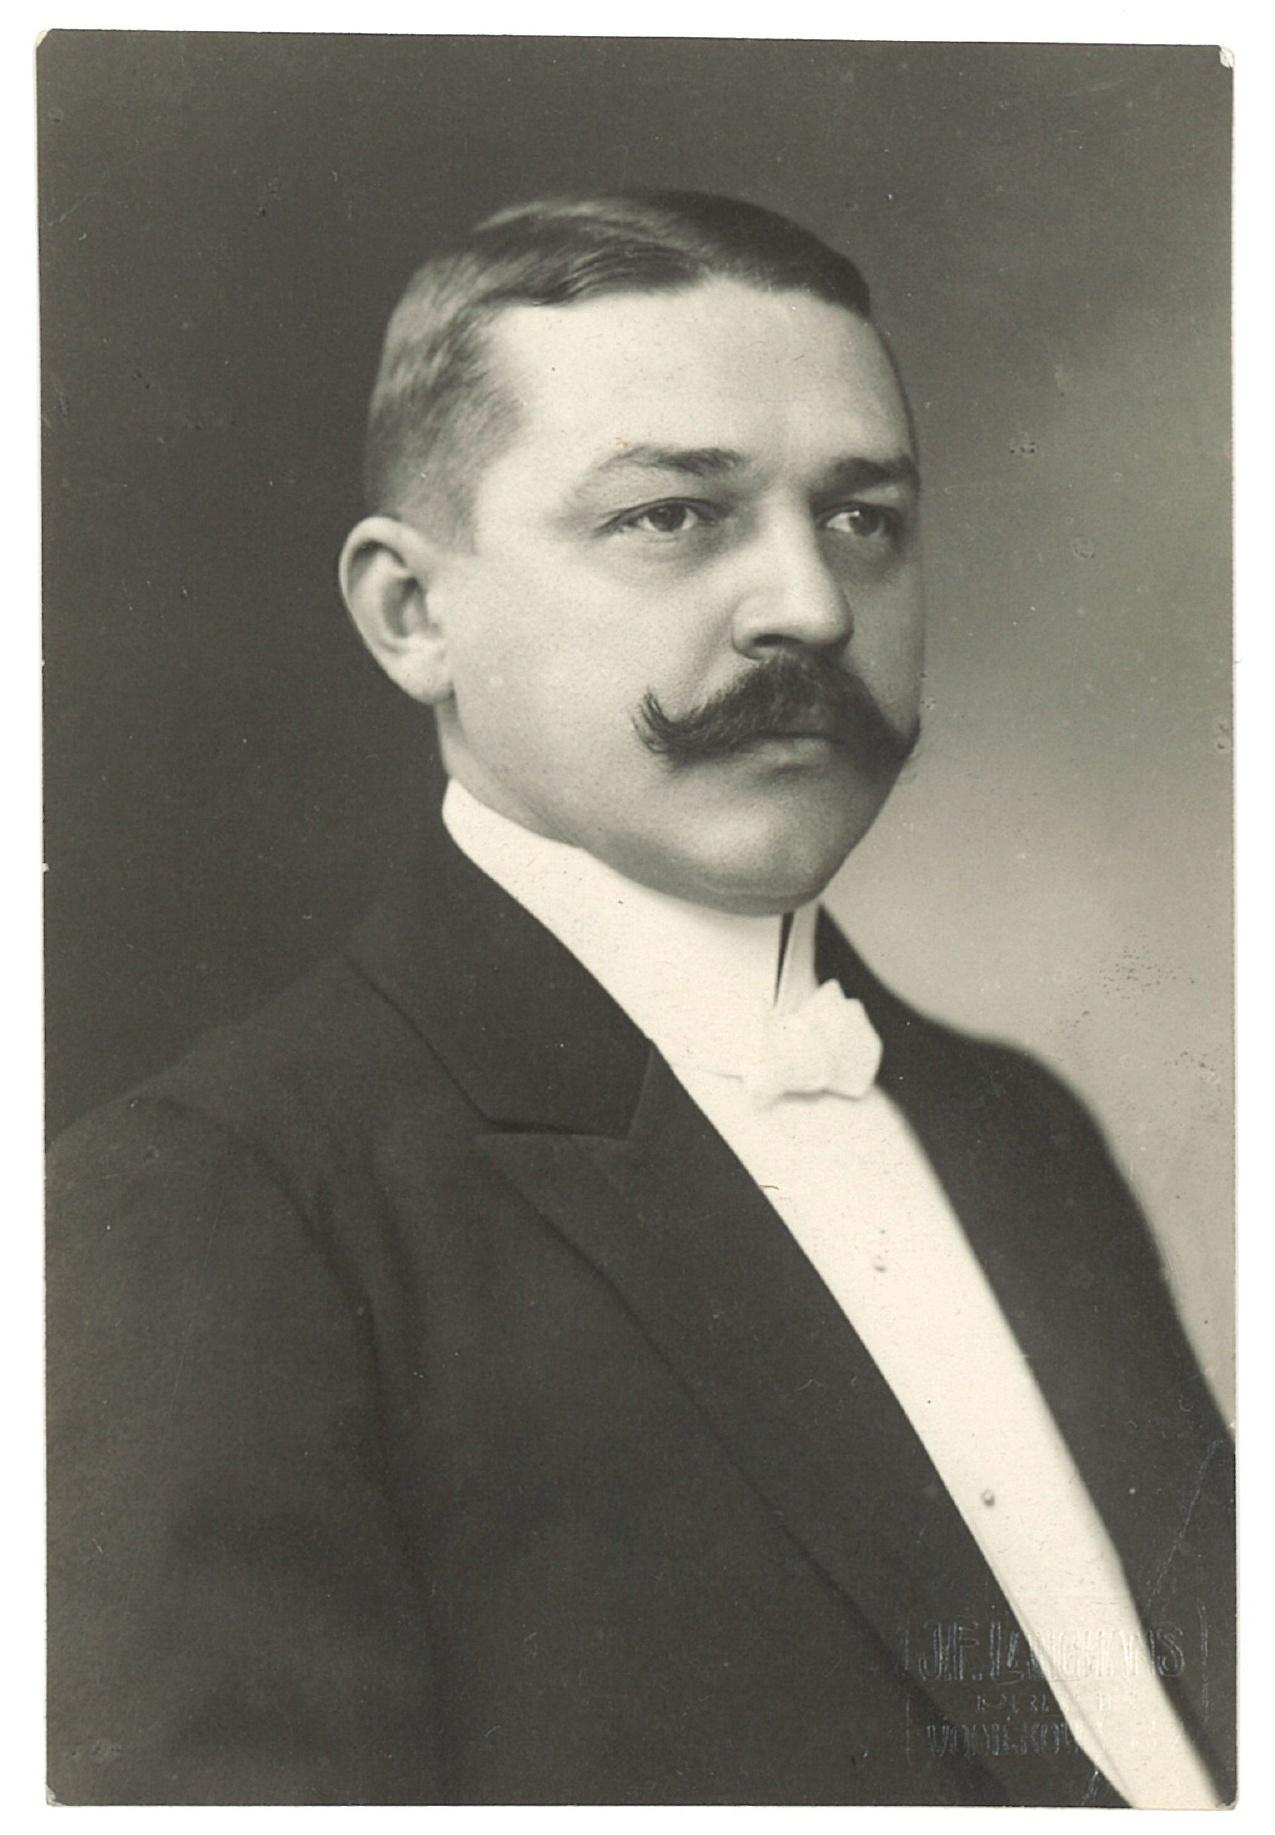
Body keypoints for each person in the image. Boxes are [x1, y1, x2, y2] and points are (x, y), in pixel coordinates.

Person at [46, 192, 1234, 1808]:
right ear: (412, 613)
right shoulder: (218, 1206)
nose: (812, 606)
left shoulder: (1022, 1129)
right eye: (673, 515)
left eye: (863, 517)